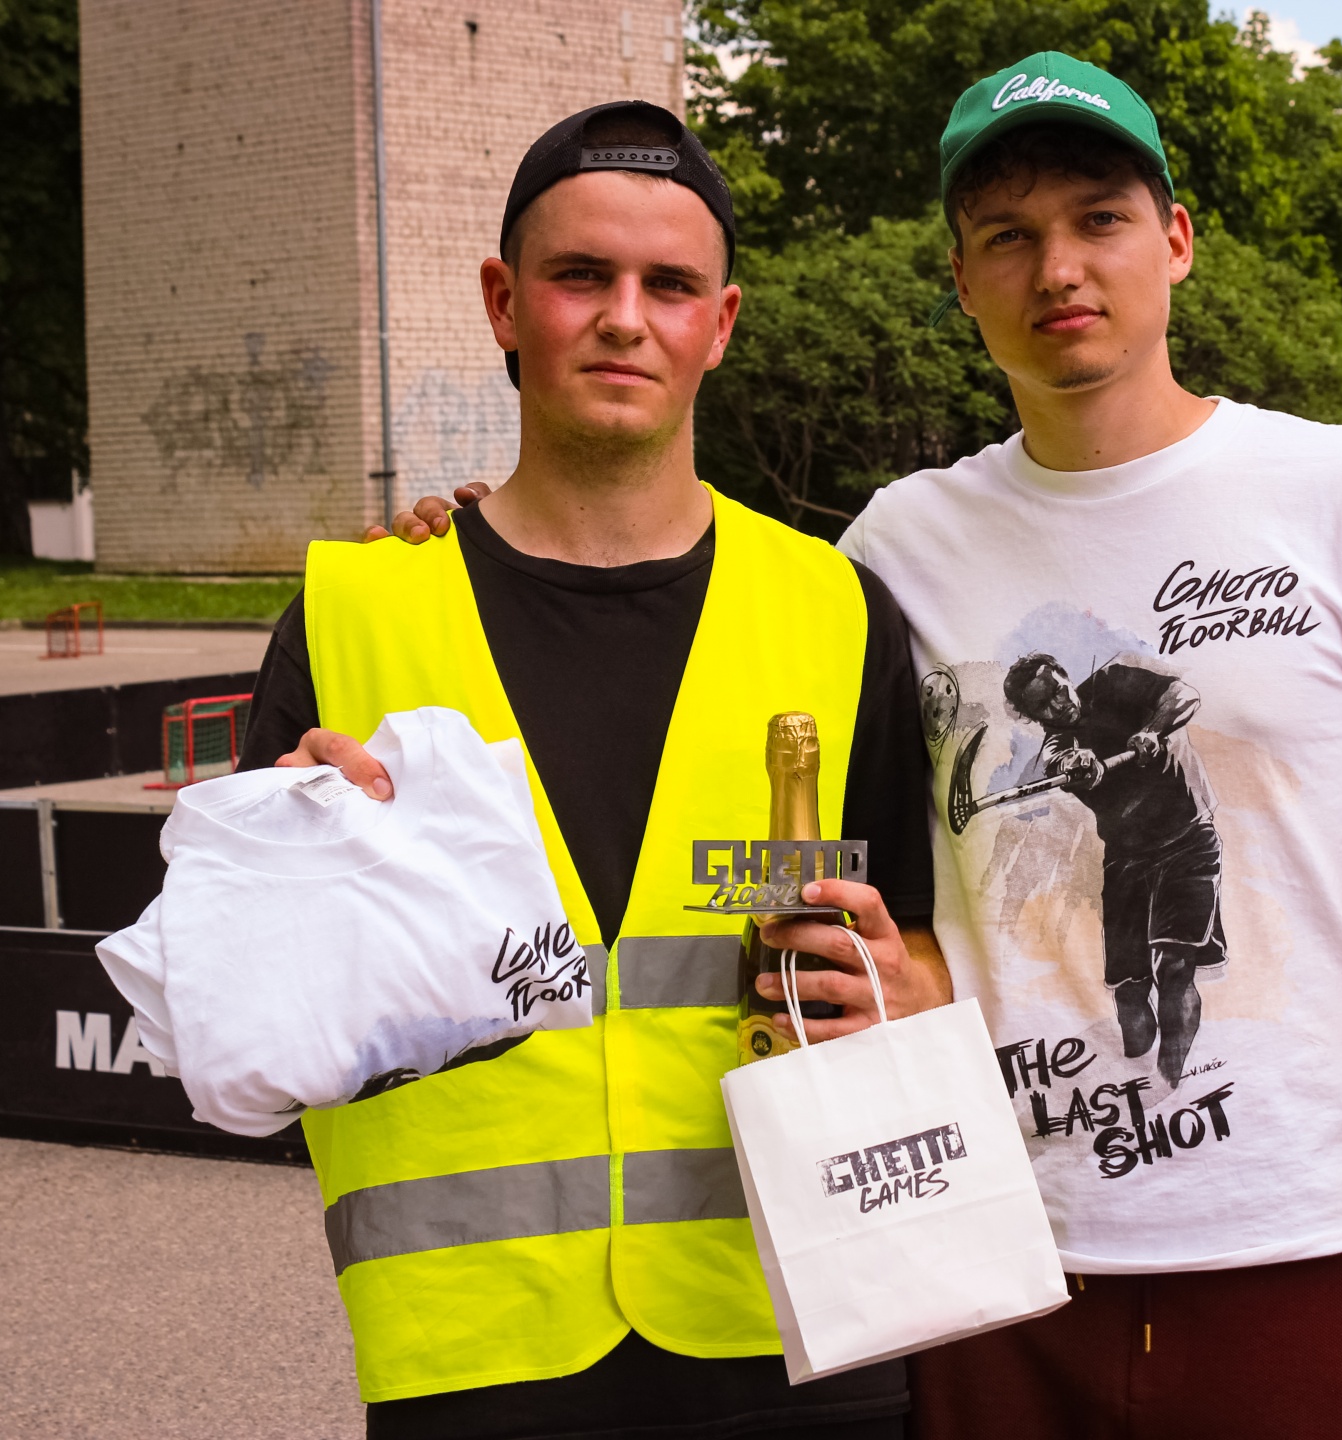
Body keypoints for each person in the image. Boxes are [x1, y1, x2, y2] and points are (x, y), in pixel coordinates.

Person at [396, 54, 1342, 1440]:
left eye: (1099, 219)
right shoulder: (896, 548)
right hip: (982, 1265)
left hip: (1290, 1250)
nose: (1058, 267)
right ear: (961, 281)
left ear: (1177, 240)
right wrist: (490, 541)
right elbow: (738, 692)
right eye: (1007, 236)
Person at [239, 100, 948, 1439]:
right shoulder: (352, 617)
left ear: (719, 325)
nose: (627, 319)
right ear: (505, 303)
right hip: (474, 1357)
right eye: (581, 276)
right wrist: (295, 884)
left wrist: (905, 990)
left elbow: (919, 946)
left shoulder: (837, 611)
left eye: (669, 285)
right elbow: (257, 1030)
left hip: (804, 1336)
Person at [1000, 652, 1222, 1088]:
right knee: (1129, 991)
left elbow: (1184, 696)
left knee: (1175, 966)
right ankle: (1136, 1081)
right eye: (1045, 704)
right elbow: (1064, 763)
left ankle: (1169, 1084)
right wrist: (1079, 765)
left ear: (1066, 675)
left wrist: (1152, 730)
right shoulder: (1057, 749)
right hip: (1127, 859)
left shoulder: (1113, 682)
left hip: (1189, 838)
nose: (1060, 704)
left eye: (1059, 688)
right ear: (1034, 717)